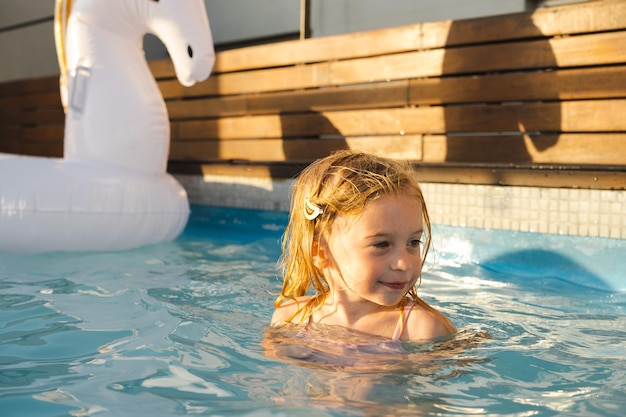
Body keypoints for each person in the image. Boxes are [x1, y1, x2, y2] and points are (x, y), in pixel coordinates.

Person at [270, 150, 456, 342]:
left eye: (413, 242)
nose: (404, 264)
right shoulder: (291, 318)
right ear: (320, 252)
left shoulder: (420, 329)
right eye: (382, 244)